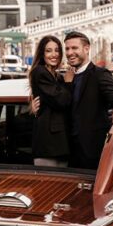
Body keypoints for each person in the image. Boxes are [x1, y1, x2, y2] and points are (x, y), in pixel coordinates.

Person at [60, 31, 113, 168]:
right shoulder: (66, 78)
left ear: (86, 49)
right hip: (68, 152)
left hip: (92, 151)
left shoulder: (100, 74)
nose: (69, 52)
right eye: (67, 48)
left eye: (74, 48)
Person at [28, 35, 71, 167]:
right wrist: (69, 83)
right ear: (42, 53)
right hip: (48, 143)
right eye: (48, 51)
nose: (54, 55)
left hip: (59, 143)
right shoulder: (40, 72)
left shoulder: (57, 76)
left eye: (57, 50)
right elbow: (61, 101)